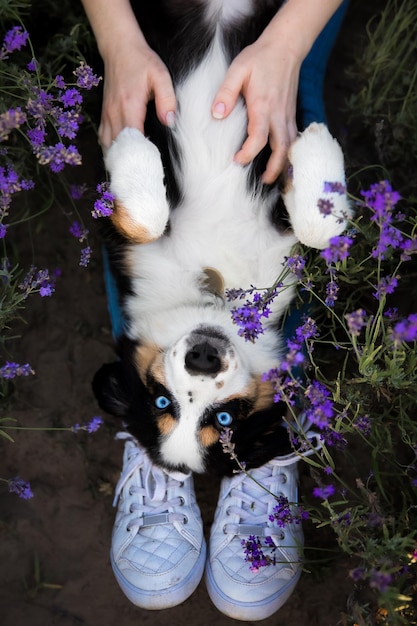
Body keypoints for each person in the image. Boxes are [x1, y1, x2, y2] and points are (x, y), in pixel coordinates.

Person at [80, 0, 348, 620]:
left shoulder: (154, 290)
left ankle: (181, 456)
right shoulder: (261, 307)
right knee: (296, 97)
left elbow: (137, 201)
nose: (197, 380)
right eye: (218, 415)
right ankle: (264, 454)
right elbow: (295, 205)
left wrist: (118, 40)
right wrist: (285, 40)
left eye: (168, 402)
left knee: (132, 180)